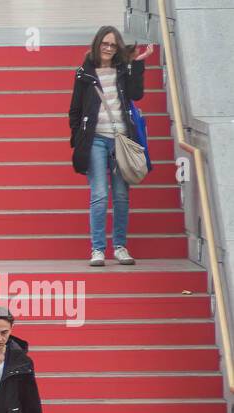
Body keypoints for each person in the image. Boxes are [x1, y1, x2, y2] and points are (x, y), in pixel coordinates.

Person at [69, 27, 152, 266]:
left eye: (113, 45)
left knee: (121, 195)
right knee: (99, 194)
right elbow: (74, 109)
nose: (108, 48)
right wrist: (79, 138)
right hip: (95, 139)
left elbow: (136, 94)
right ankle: (97, 249)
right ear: (97, 44)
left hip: (121, 139)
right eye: (105, 44)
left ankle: (120, 247)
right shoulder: (84, 73)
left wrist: (136, 64)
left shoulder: (122, 71)